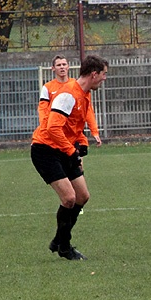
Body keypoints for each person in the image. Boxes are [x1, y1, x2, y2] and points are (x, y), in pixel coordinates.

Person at [30, 55, 109, 260]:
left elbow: (74, 124)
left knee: (82, 196)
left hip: (64, 148)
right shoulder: (68, 95)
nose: (104, 79)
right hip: (45, 149)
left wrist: (82, 142)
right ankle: (65, 247)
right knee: (69, 198)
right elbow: (52, 127)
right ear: (94, 74)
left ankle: (58, 240)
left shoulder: (84, 93)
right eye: (103, 74)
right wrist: (71, 151)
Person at [39, 55, 101, 148]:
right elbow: (43, 110)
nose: (62, 67)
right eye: (59, 65)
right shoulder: (48, 87)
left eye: (64, 64)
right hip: (57, 130)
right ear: (53, 68)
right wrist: (46, 128)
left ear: (68, 66)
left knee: (77, 159)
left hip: (74, 129)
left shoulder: (77, 86)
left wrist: (94, 130)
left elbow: (88, 110)